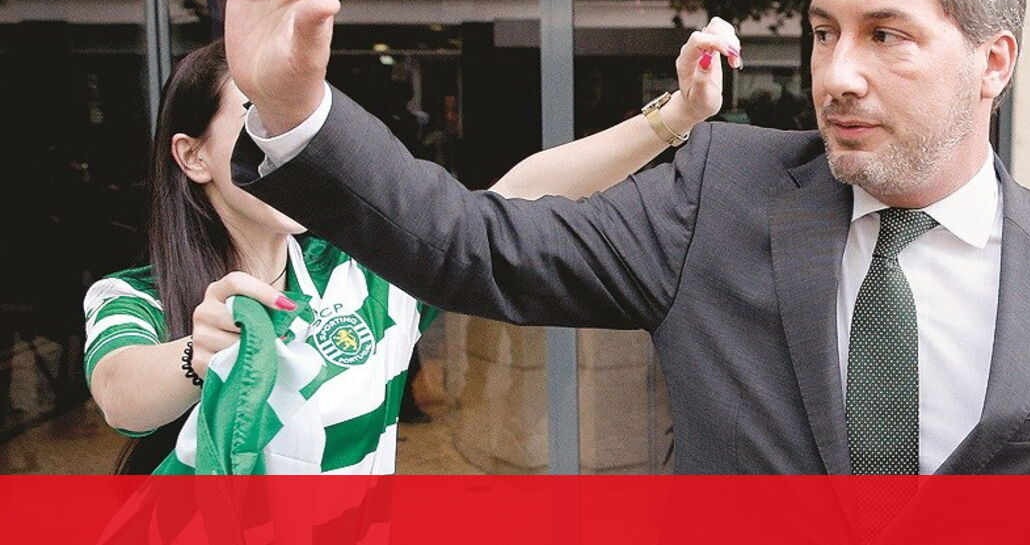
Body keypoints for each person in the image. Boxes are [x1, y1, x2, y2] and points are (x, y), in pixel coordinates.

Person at [221, 0, 1030, 475]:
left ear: (993, 62)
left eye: (886, 34)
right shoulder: (718, 194)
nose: (837, 74)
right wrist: (296, 105)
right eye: (823, 32)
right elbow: (473, 245)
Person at [84, 30, 729, 474]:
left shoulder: (364, 272)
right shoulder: (134, 295)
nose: (279, 141)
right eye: (257, 115)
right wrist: (198, 354)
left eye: (290, 121)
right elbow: (121, 394)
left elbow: (517, 196)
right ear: (193, 156)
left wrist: (675, 117)